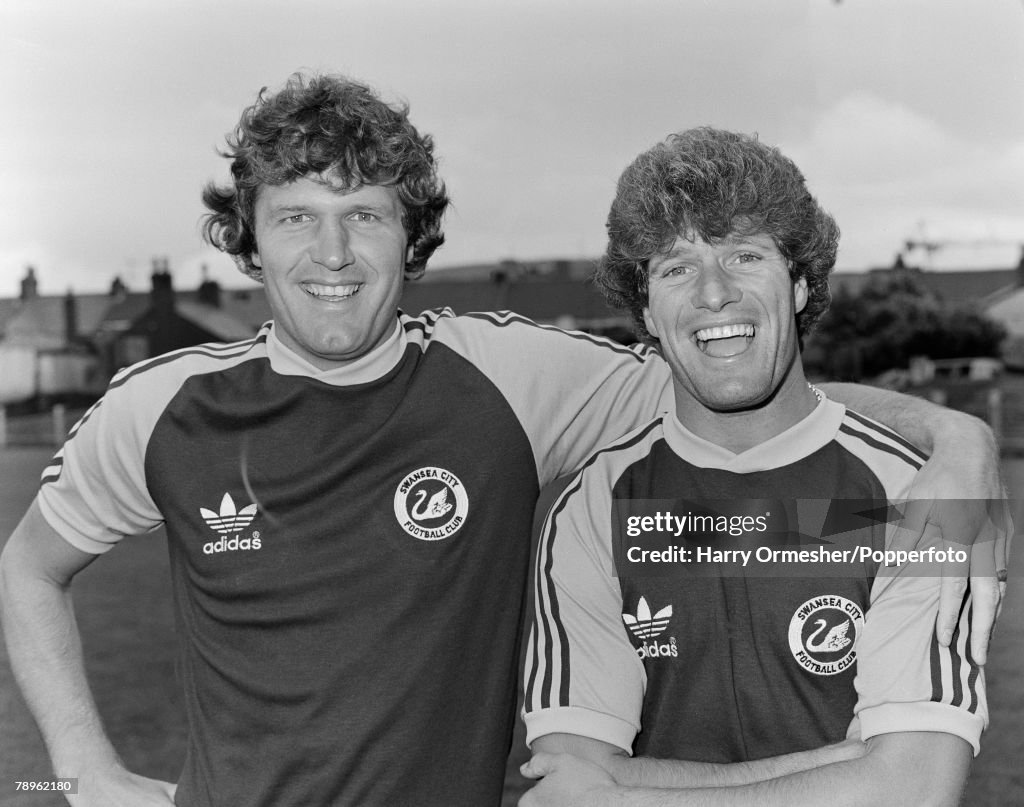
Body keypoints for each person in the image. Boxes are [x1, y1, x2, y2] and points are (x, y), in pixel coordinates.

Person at [0, 76, 1006, 807]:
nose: (334, 253)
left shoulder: (513, 380)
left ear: (415, 235)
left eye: (367, 216)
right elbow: (29, 569)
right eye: (297, 217)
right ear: (247, 239)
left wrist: (948, 435)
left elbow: (729, 374)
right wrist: (81, 766)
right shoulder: (159, 407)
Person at [520, 128, 999, 807]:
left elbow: (915, 786)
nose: (714, 293)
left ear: (801, 284)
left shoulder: (917, 491)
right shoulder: (595, 503)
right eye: (676, 267)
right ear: (647, 311)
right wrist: (852, 765)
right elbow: (568, 779)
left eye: (744, 255)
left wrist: (632, 793)